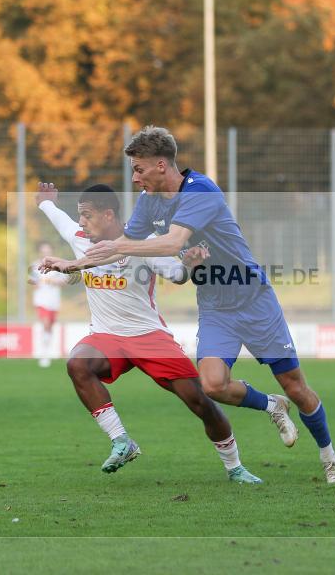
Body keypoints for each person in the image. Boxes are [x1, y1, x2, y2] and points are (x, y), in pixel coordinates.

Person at [46, 126, 335, 484]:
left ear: (161, 165)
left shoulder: (201, 191)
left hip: (253, 298)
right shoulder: (148, 203)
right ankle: (272, 405)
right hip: (215, 305)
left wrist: (117, 249)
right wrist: (75, 264)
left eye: (139, 169)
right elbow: (124, 242)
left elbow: (168, 242)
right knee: (214, 385)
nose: (135, 177)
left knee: (296, 386)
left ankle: (330, 458)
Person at [37, 181, 261, 483]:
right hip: (106, 337)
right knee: (77, 363)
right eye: (80, 215)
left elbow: (177, 274)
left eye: (87, 215)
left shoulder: (144, 242)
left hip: (148, 336)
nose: (81, 222)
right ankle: (121, 441)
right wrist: (46, 202)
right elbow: (60, 218)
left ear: (108, 215)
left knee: (200, 402)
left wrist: (190, 264)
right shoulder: (80, 238)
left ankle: (235, 467)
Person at [29, 241, 68, 368]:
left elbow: (64, 281)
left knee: (50, 327)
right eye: (43, 251)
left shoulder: (58, 265)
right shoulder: (35, 266)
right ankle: (44, 355)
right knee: (45, 324)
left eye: (48, 251)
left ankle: (46, 351)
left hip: (54, 300)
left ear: (51, 252)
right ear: (40, 252)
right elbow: (31, 282)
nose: (45, 253)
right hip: (41, 300)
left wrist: (54, 281)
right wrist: (37, 282)